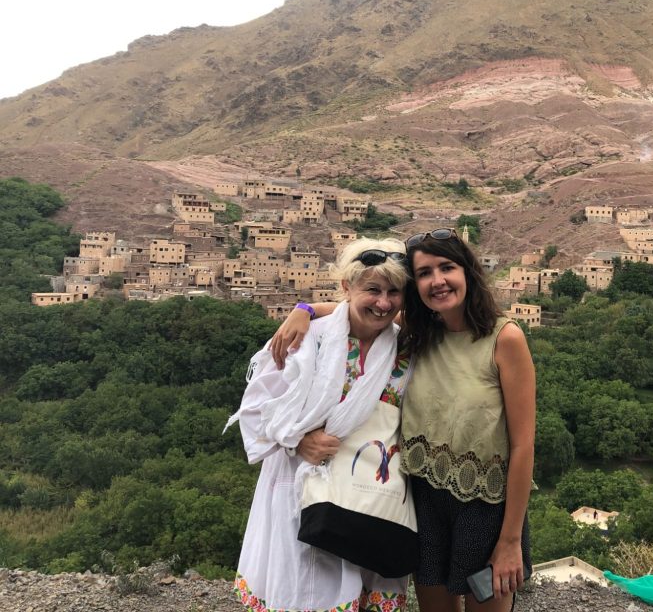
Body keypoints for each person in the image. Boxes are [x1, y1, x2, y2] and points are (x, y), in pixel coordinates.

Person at [272, 227, 536, 612]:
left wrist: (510, 540)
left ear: (467, 272)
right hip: (424, 502)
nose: (437, 281)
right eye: (425, 273)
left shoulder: (504, 339)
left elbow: (523, 445)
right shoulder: (419, 333)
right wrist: (305, 309)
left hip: (485, 508)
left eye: (446, 267)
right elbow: (362, 311)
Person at [228, 237, 413, 612]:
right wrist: (297, 441)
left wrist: (307, 305)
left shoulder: (405, 351)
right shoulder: (305, 338)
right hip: (301, 490)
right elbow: (257, 408)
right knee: (306, 590)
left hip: (370, 498)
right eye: (373, 290)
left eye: (394, 292)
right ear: (347, 287)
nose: (383, 303)